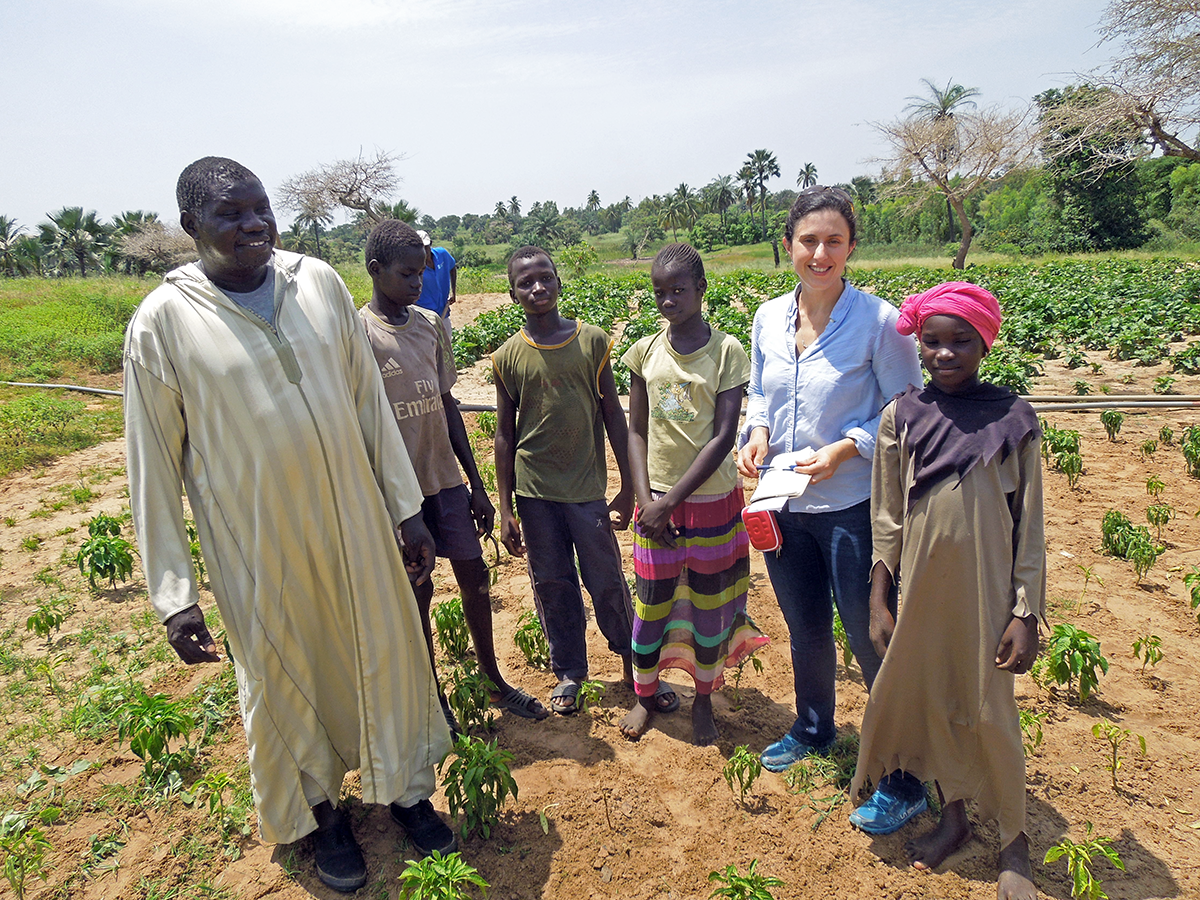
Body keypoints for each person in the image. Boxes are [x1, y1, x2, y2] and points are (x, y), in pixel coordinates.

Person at [124, 157, 453, 893]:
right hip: (257, 544)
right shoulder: (163, 323)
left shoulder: (318, 283)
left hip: (356, 522)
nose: (253, 226)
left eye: (260, 208)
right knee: (285, 674)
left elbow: (367, 401)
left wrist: (405, 509)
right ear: (190, 230)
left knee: (385, 649)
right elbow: (151, 463)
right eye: (230, 215)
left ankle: (404, 791)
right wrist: (174, 594)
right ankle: (321, 815)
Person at [849, 281, 1044, 900]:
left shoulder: (1014, 419)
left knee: (990, 711)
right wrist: (880, 599)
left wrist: (1026, 612)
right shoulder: (901, 417)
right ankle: (954, 818)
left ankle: (1013, 840)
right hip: (922, 597)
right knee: (935, 702)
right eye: (932, 341)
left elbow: (1029, 526)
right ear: (918, 346)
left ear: (984, 343)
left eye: (961, 340)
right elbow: (887, 519)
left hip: (987, 597)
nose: (945, 353)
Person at [734, 186, 922, 773]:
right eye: (808, 241)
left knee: (870, 635)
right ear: (787, 245)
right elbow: (760, 391)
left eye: (833, 241)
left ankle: (900, 763)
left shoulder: (880, 322)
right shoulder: (768, 316)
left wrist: (847, 448)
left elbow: (907, 407)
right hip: (781, 502)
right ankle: (814, 726)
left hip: (849, 504)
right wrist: (757, 432)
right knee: (805, 626)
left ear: (851, 247)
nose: (820, 253)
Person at [360, 218, 547, 722]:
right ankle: (433, 700)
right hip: (399, 494)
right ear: (376, 272)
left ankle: (493, 681)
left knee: (474, 575)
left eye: (421, 274)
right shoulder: (358, 337)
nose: (418, 283)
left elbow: (448, 408)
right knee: (417, 595)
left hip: (444, 482)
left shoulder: (429, 326)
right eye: (407, 274)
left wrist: (477, 486)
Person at [494, 246, 658, 716]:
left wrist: (628, 485)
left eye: (545, 278)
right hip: (534, 493)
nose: (538, 288)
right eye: (526, 283)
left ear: (559, 283)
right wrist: (506, 508)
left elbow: (612, 414)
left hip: (586, 490)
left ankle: (632, 660)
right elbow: (505, 435)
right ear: (513, 294)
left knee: (605, 578)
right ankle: (569, 670)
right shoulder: (508, 357)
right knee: (552, 582)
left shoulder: (592, 343)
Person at [618, 244, 767, 745]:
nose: (668, 300)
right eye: (659, 292)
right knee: (652, 604)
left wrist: (669, 502)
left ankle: (703, 698)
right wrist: (647, 501)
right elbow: (635, 430)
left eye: (678, 290)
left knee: (709, 605)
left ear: (701, 290)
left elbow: (724, 436)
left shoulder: (726, 352)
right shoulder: (644, 352)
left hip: (709, 502)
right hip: (655, 504)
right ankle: (645, 695)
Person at [415, 229, 456, 343]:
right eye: (420, 248)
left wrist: (453, 292)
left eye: (426, 247)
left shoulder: (442, 255)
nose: (424, 251)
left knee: (446, 347)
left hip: (443, 312)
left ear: (430, 244)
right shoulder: (414, 266)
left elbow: (452, 267)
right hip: (424, 317)